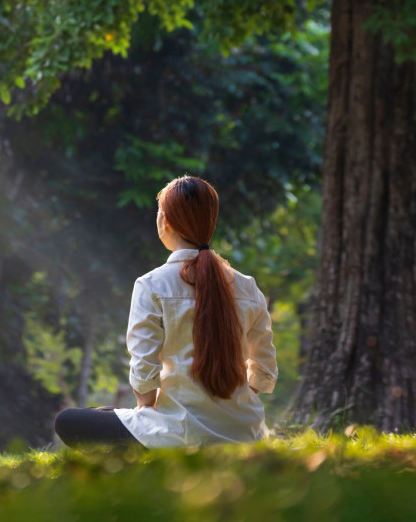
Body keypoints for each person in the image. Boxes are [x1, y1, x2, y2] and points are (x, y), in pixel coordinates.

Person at [53, 175, 278, 448]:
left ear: (165, 222)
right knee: (105, 415)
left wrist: (148, 408)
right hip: (244, 433)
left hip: (178, 435)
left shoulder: (151, 285)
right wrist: (228, 408)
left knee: (69, 421)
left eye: (160, 212)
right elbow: (264, 372)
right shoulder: (247, 286)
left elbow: (144, 376)